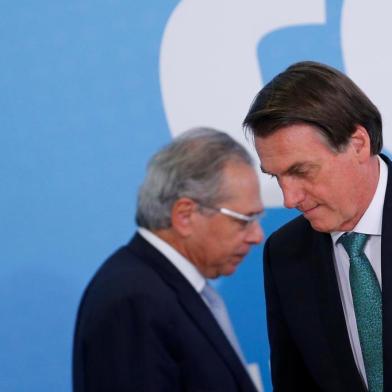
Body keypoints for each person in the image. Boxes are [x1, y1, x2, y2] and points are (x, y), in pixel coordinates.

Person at [72, 127, 264, 391]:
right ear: (185, 215)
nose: (257, 236)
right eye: (245, 220)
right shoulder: (133, 301)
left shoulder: (162, 287)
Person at [243, 61, 391, 392]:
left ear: (358, 144)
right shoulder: (285, 253)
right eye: (276, 177)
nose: (289, 198)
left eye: (302, 171)